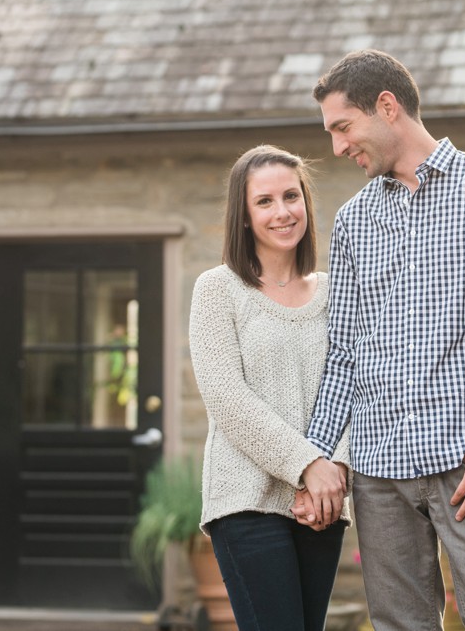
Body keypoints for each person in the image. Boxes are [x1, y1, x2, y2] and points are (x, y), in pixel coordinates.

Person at [295, 49, 465, 631]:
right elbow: (344, 355)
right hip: (379, 471)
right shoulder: (355, 220)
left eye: (343, 127)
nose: (337, 147)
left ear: (387, 107)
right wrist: (313, 459)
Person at [189, 145, 350, 631]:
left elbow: (355, 386)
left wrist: (333, 472)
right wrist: (307, 467)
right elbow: (227, 399)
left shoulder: (335, 291)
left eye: (291, 196)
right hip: (247, 503)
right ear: (243, 216)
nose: (282, 212)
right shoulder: (218, 289)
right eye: (264, 201)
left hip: (320, 506)